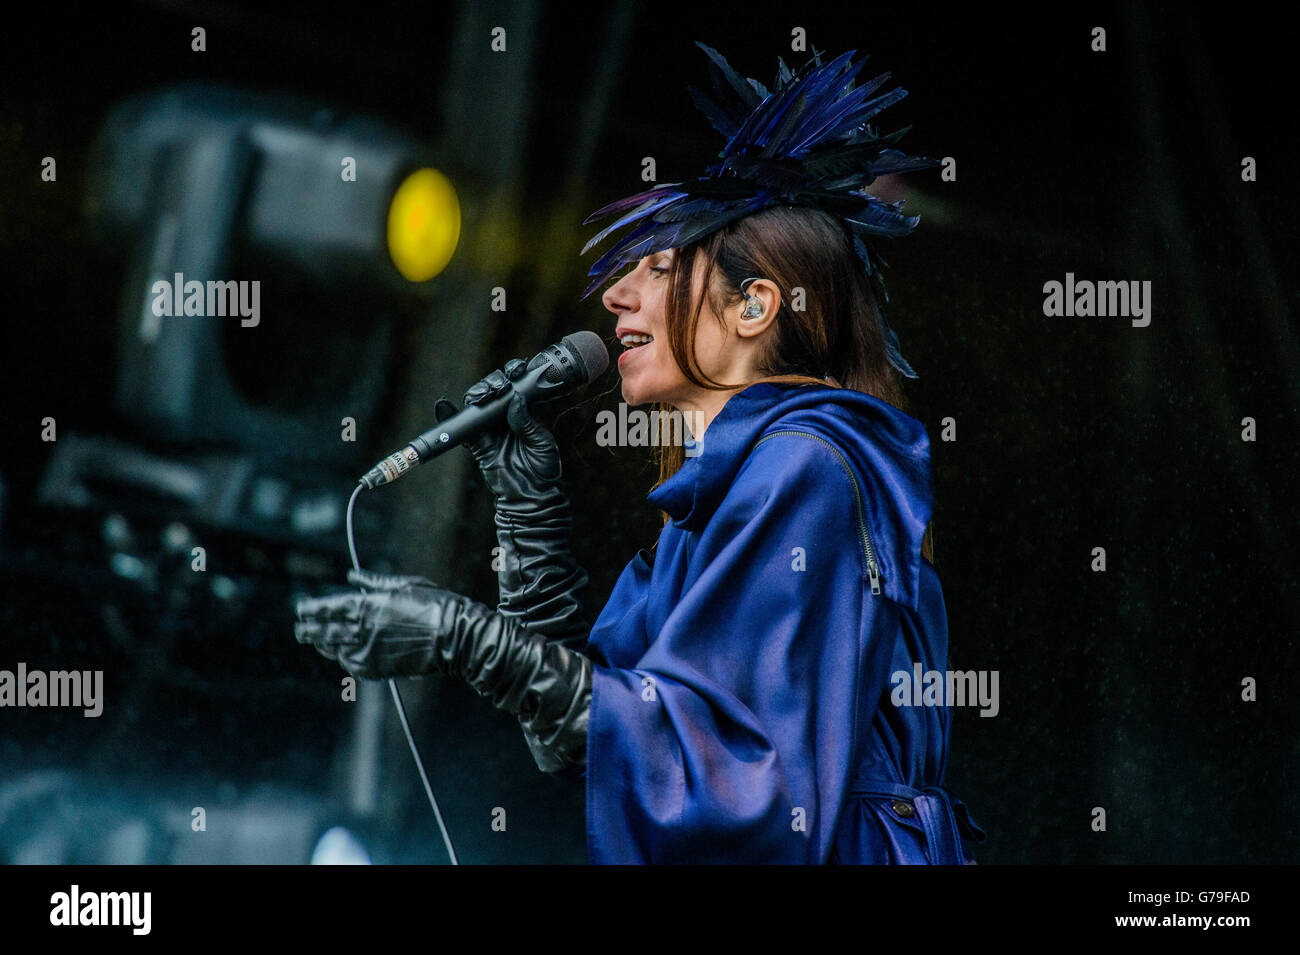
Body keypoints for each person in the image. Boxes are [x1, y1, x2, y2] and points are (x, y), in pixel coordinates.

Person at [295, 44, 984, 864]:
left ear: (755, 306)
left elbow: (739, 786)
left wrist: (464, 636)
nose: (616, 291)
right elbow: (598, 745)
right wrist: (527, 516)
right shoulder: (738, 487)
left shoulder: (805, 468)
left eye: (661, 269)